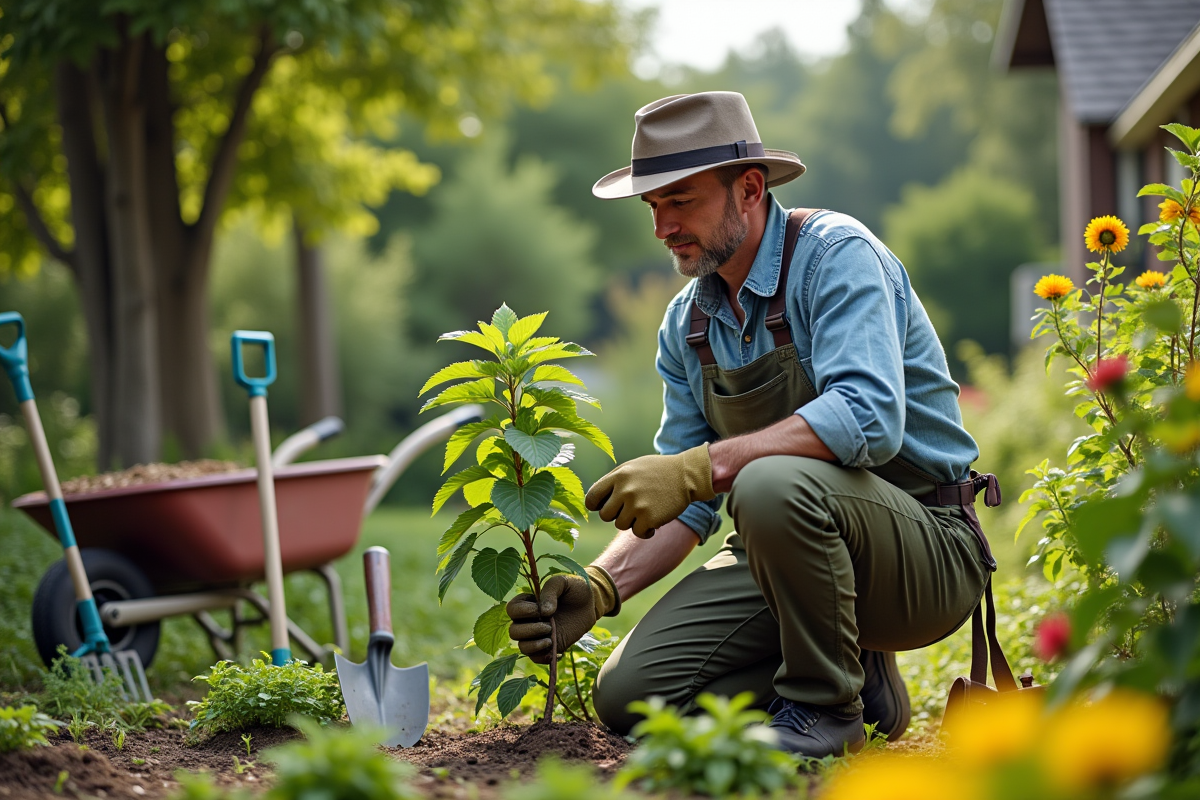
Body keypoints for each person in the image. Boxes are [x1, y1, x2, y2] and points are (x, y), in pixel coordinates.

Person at [504, 91, 999, 758]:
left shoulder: (836, 258)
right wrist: (601, 586)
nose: (662, 227)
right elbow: (691, 509)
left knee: (767, 484)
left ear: (750, 188)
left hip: (924, 551)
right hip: (791, 556)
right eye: (653, 206)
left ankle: (826, 710)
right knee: (632, 695)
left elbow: (868, 417)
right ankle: (860, 673)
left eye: (681, 200)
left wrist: (701, 467)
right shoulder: (688, 324)